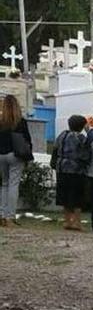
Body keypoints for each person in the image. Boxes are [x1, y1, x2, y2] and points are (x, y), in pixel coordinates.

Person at [53, 115, 90, 231]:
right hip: (77, 170)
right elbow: (86, 154)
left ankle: (67, 221)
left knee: (65, 195)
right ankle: (77, 222)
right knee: (78, 197)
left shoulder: (62, 135)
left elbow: (55, 149)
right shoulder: (81, 138)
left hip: (62, 168)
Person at [0, 95, 31, 226]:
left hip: (1, 155)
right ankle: (10, 216)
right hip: (16, 155)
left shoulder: (1, 121)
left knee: (5, 184)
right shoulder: (21, 121)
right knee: (13, 184)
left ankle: (2, 214)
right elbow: (27, 140)